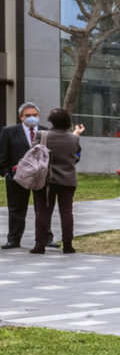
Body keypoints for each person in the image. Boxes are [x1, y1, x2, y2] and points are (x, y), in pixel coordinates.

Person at [31, 107, 83, 254]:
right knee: (66, 212)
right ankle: (68, 244)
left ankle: (39, 245)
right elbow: (77, 156)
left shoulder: (42, 135)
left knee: (43, 212)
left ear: (51, 121)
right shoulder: (74, 138)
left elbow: (32, 154)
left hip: (46, 180)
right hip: (68, 180)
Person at [1, 102, 43, 248]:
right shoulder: (9, 132)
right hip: (17, 178)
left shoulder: (45, 132)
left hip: (40, 177)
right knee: (16, 209)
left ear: (39, 116)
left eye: (34, 115)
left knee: (43, 208)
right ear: (21, 117)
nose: (32, 118)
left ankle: (47, 238)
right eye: (28, 115)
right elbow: (2, 155)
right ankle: (13, 239)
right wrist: (6, 173)